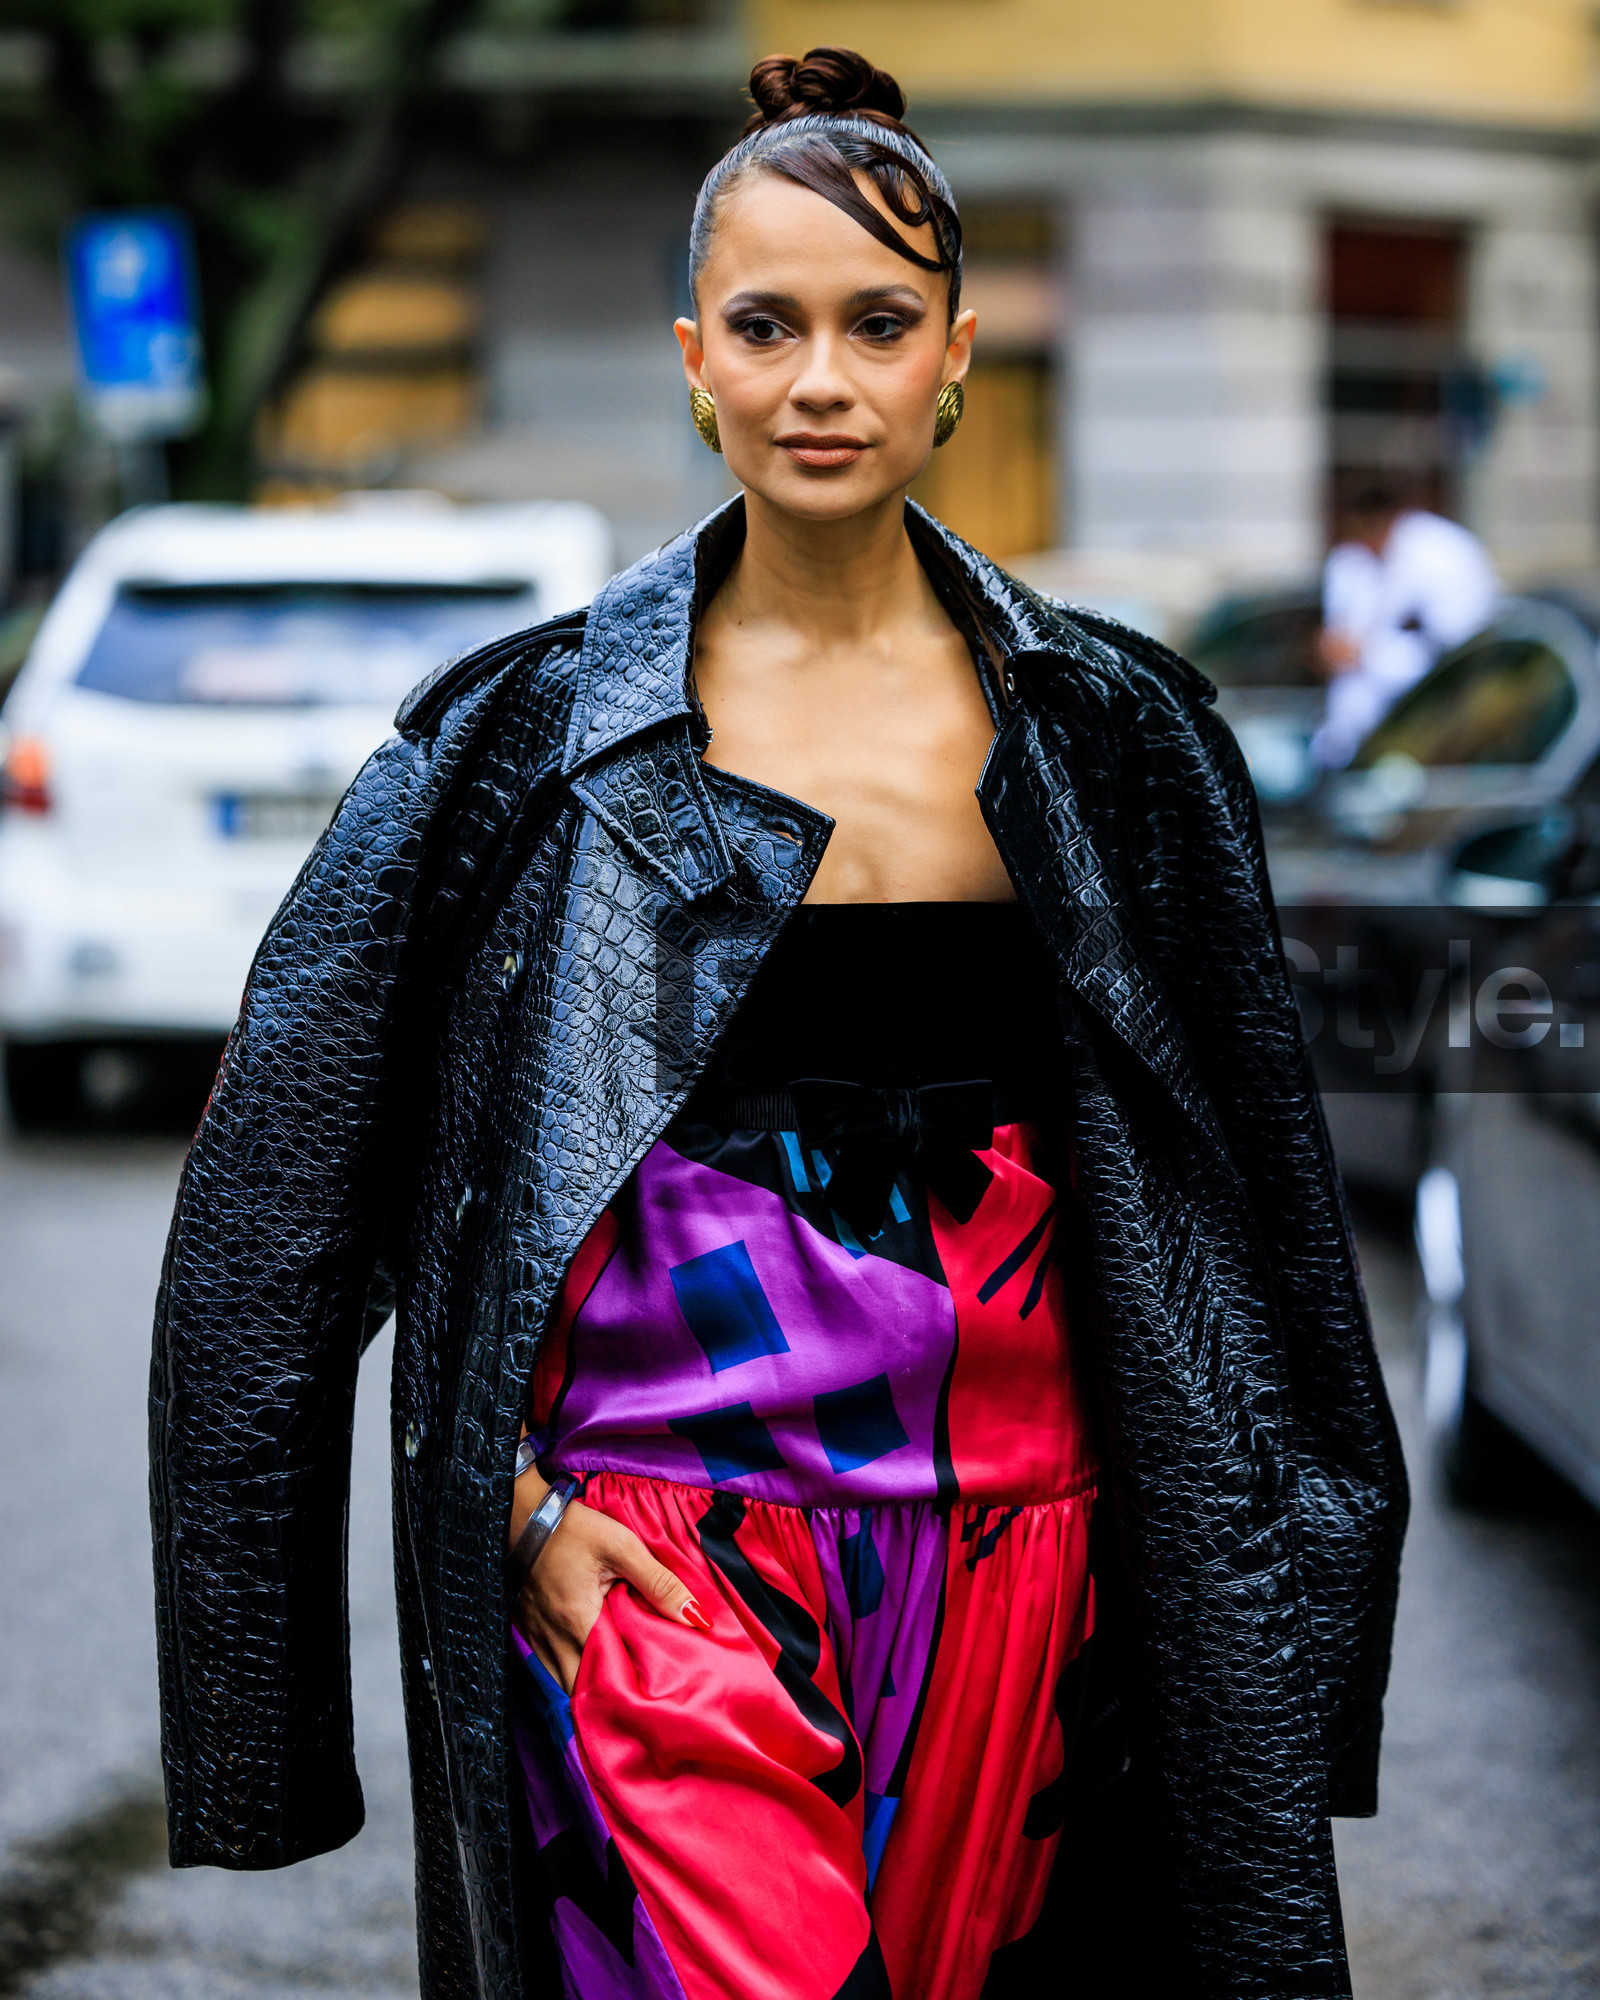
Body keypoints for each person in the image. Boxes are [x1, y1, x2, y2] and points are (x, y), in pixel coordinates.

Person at [150, 46, 1407, 2000]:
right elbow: (268, 1211)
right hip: (659, 1559)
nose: (820, 377)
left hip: (1036, 1559)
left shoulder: (1116, 738)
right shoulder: (515, 743)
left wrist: (1293, 1611)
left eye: (875, 323)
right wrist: (508, 1505)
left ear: (956, 355)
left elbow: (1255, 1210)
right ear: (691, 356)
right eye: (767, 322)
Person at [1312, 479, 1498, 768]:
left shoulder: (1442, 553)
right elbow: (1336, 640)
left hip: (1423, 726)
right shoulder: (1351, 560)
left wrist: (1368, 655)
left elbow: (1456, 645)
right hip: (1351, 735)